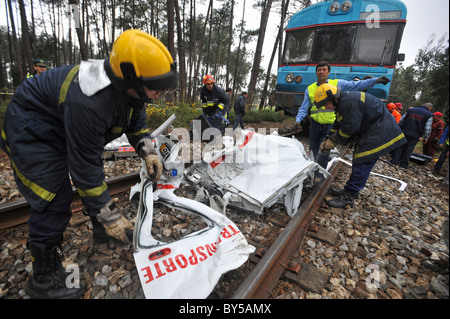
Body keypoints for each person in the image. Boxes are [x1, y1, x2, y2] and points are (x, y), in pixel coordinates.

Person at [0, 29, 178, 299]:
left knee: (94, 178)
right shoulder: (90, 100)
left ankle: (100, 226)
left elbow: (136, 121)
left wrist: (147, 149)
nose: (157, 95)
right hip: (31, 130)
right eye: (154, 88)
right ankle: (44, 277)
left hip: (63, 125)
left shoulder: (133, 91)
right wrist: (111, 216)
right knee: (53, 197)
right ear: (129, 78)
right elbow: (83, 168)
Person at [313, 83, 406, 208]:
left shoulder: (349, 102)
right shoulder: (344, 102)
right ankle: (349, 191)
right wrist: (327, 138)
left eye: (325, 103)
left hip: (379, 133)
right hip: (373, 131)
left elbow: (350, 128)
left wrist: (334, 141)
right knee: (360, 162)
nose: (325, 106)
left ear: (333, 97)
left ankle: (348, 196)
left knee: (362, 162)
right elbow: (338, 124)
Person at [294, 61, 391, 170]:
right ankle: (310, 169)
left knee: (325, 149)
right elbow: (303, 107)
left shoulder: (337, 84)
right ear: (316, 72)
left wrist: (375, 81)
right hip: (315, 124)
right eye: (319, 70)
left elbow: (356, 85)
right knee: (313, 149)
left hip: (331, 124)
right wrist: (298, 120)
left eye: (324, 70)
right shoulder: (310, 89)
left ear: (328, 72)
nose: (321, 72)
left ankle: (320, 173)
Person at [390, 103, 433, 168]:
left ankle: (394, 161)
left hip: (404, 131)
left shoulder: (411, 110)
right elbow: (428, 128)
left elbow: (402, 120)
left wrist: (399, 128)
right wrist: (426, 137)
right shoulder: (429, 115)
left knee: (400, 146)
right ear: (430, 108)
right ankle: (403, 164)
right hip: (415, 134)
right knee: (409, 149)